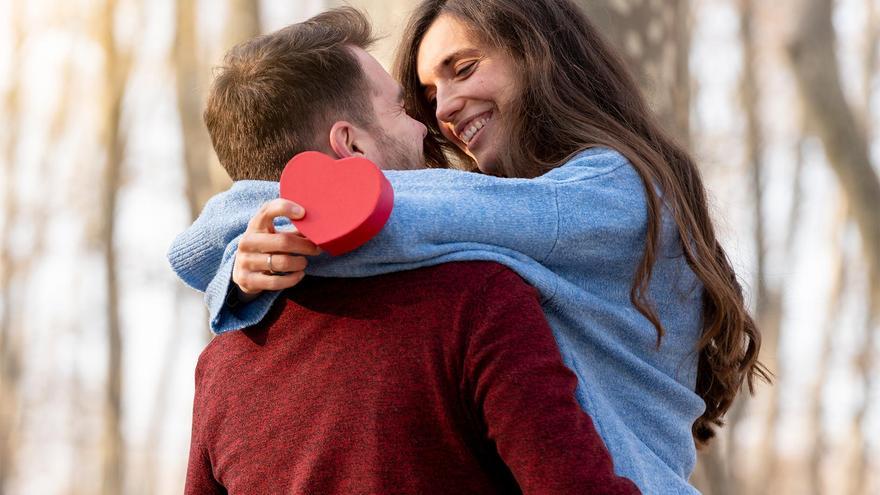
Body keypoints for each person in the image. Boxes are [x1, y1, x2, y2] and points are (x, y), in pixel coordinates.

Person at [169, 1, 769, 492]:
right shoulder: (477, 286)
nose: (439, 116)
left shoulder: (615, 194)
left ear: (537, 54)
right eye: (421, 99)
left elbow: (389, 215)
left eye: (464, 67)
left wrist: (248, 245)